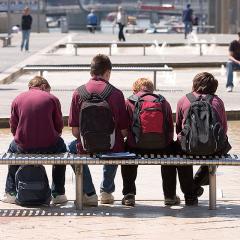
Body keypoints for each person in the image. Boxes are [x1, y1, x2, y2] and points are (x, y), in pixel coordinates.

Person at [121, 78, 197, 207]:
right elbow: (170, 129)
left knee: (127, 150)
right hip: (161, 147)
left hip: (136, 147)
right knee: (171, 153)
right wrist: (166, 143)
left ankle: (129, 194)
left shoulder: (129, 101)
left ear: (135, 90)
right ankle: (169, 196)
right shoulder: (163, 102)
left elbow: (124, 127)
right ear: (152, 89)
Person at [68, 54, 128, 205]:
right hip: (112, 148)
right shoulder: (116, 93)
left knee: (71, 148)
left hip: (85, 147)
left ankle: (89, 193)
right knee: (117, 142)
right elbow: (124, 131)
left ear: (91, 72)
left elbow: (75, 132)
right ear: (107, 72)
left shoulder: (78, 93)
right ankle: (106, 192)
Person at [1, 76, 68, 205]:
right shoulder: (52, 99)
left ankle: (10, 192)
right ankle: (58, 193)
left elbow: (13, 127)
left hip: (23, 146)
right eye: (49, 90)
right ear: (43, 87)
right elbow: (59, 126)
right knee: (62, 148)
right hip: (49, 146)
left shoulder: (18, 99)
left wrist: (22, 139)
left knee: (12, 149)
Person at [176, 72, 231, 197]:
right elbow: (224, 129)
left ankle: (190, 192)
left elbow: (179, 128)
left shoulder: (184, 99)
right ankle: (196, 183)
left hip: (188, 147)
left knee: (178, 150)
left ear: (195, 84)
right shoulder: (217, 101)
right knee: (223, 147)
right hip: (213, 149)